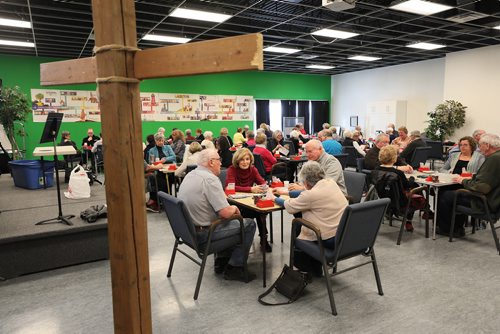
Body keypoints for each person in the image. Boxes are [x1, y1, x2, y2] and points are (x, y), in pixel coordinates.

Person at [178, 149, 256, 281]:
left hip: (187, 232)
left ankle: (222, 261)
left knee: (225, 220)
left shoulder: (190, 175)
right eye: (219, 160)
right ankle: (235, 268)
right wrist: (235, 207)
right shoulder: (210, 180)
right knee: (248, 224)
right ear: (211, 162)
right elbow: (225, 212)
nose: (221, 163)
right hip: (204, 236)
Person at [270, 161, 348, 277]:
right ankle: (314, 267)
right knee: (305, 221)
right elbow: (307, 193)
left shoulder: (310, 195)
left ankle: (306, 268)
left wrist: (273, 198)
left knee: (298, 224)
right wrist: (287, 192)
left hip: (329, 239)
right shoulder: (330, 183)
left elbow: (290, 205)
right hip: (345, 234)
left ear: (305, 182)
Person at [436, 134, 500, 237]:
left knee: (445, 196)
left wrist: (464, 181)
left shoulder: (493, 159)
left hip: (485, 201)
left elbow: (482, 187)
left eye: (480, 145)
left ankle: (449, 229)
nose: (479, 148)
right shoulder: (496, 157)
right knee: (451, 193)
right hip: (493, 199)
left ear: (487, 145)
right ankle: (456, 227)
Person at [224, 148, 271, 252]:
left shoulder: (253, 169)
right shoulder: (232, 169)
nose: (245, 162)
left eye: (247, 159)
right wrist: (250, 189)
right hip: (236, 202)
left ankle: (264, 239)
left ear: (251, 160)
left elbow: (262, 182)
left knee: (261, 211)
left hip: (249, 200)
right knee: (257, 211)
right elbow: (231, 187)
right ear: (237, 160)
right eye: (242, 160)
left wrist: (265, 186)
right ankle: (241, 240)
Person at [372, 145, 421, 232]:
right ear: (394, 159)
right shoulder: (398, 173)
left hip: (382, 199)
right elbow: (407, 185)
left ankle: (389, 213)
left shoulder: (375, 170)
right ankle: (409, 220)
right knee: (416, 187)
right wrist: (412, 178)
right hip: (399, 202)